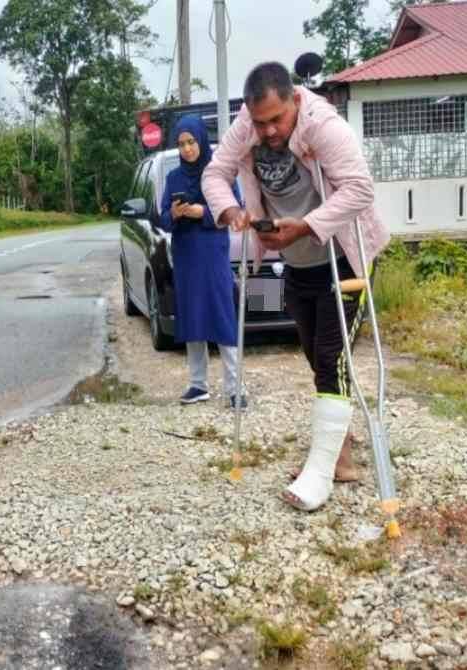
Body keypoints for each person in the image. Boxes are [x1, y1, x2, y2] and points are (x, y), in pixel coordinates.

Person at [201, 62, 390, 512]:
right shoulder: (245, 126)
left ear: (294, 100)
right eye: (258, 121)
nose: (266, 131)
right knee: (315, 356)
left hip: (343, 256)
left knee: (330, 357)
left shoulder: (323, 125)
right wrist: (231, 212)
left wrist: (303, 226)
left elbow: (360, 190)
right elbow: (214, 175)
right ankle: (338, 452)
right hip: (297, 262)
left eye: (275, 120)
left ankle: (324, 470)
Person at [158, 116, 241, 407]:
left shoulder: (219, 172)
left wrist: (201, 213)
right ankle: (198, 385)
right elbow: (164, 221)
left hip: (213, 253)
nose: (187, 149)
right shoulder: (173, 179)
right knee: (193, 317)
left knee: (222, 315)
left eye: (191, 142)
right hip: (186, 256)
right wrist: (176, 214)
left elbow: (235, 209)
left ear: (201, 141)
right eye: (181, 144)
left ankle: (235, 388)